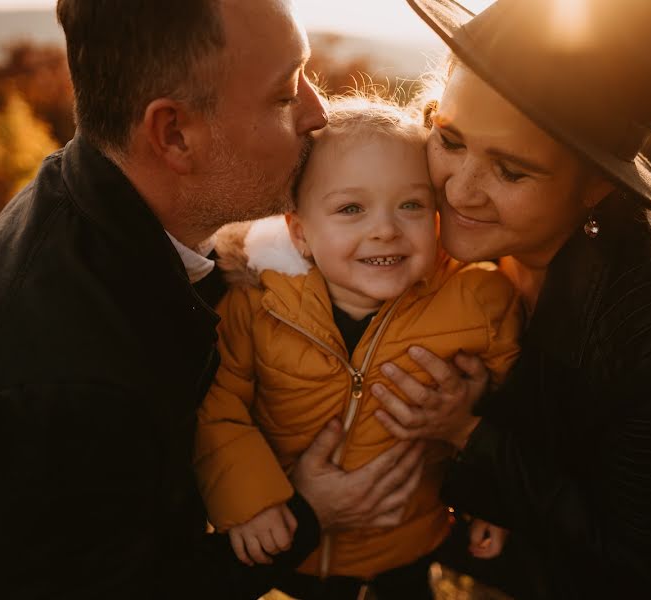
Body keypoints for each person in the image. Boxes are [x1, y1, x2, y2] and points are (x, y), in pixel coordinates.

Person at [0, 1, 427, 598]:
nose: (319, 113)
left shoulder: (86, 197)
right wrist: (309, 515)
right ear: (175, 134)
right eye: (285, 95)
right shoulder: (62, 384)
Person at [370, 0, 651, 598]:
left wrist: (467, 435)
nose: (457, 188)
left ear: (596, 185)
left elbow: (640, 567)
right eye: (448, 137)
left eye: (511, 171)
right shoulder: (442, 241)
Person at [194, 96, 520, 600]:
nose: (385, 229)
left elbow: (511, 410)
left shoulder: (477, 302)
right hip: (290, 558)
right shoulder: (258, 306)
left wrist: (491, 500)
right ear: (300, 233)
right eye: (351, 208)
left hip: (405, 555)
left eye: (411, 204)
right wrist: (251, 500)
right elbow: (219, 407)